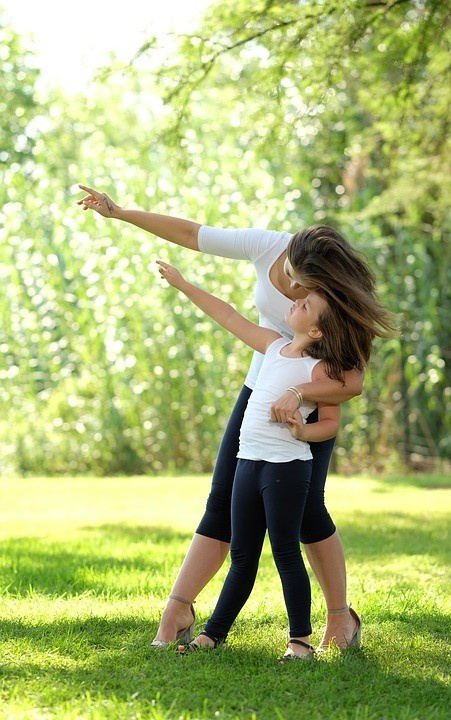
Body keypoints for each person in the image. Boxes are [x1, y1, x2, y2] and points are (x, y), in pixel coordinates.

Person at [76, 184, 371, 650]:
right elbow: (192, 234)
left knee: (307, 512)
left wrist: (299, 393)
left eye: (304, 289)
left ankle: (339, 621)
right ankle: (179, 609)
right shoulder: (267, 245)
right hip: (261, 388)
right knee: (222, 500)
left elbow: (351, 382)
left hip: (312, 395)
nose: (293, 290)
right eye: (291, 276)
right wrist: (120, 212)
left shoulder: (335, 295)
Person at [155, 251, 386, 659]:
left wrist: (302, 430)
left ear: (316, 330)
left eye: (306, 304)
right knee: (242, 557)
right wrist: (184, 284)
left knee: (285, 553)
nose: (296, 301)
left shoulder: (321, 370)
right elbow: (229, 317)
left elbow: (330, 423)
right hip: (248, 462)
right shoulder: (273, 346)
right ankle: (212, 635)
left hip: (287, 469)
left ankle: (300, 642)